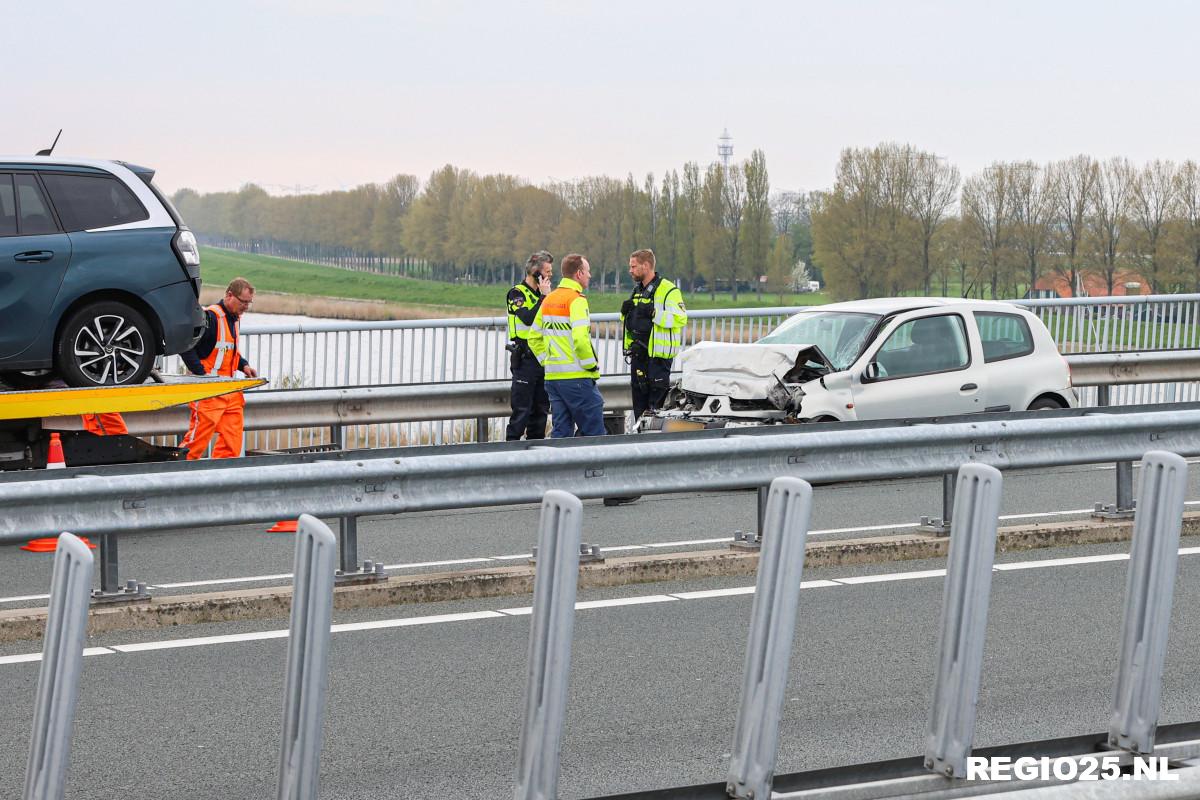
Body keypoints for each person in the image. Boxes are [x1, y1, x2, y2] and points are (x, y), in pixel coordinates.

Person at [178, 278, 259, 459]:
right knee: (195, 444)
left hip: (230, 392)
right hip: (209, 393)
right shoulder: (210, 317)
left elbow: (227, 350)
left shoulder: (234, 319)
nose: (246, 307)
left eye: (249, 303)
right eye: (243, 302)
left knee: (232, 444)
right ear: (230, 295)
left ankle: (221, 480)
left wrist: (243, 365)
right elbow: (185, 346)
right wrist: (201, 374)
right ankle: (174, 478)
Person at [528, 254, 605, 438]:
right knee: (595, 434)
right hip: (577, 377)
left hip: (553, 378)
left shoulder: (549, 299)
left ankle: (560, 467)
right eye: (587, 271)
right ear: (579, 274)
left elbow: (533, 337)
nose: (590, 275)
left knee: (561, 434)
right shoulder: (576, 299)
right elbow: (580, 338)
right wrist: (590, 365)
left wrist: (547, 362)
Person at [620, 248, 688, 420]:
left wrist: (654, 313)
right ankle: (639, 441)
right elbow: (634, 323)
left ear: (646, 265)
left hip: (657, 359)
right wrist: (624, 314)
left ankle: (655, 445)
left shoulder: (668, 290)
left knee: (655, 411)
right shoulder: (637, 291)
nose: (630, 270)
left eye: (634, 266)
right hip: (639, 355)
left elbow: (680, 319)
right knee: (639, 408)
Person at [505, 251, 553, 440]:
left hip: (542, 358)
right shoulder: (517, 293)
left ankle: (536, 457)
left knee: (541, 410)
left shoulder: (545, 294)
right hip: (525, 359)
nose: (550, 276)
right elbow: (527, 319)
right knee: (521, 411)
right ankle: (510, 455)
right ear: (536, 272)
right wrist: (543, 298)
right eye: (547, 272)